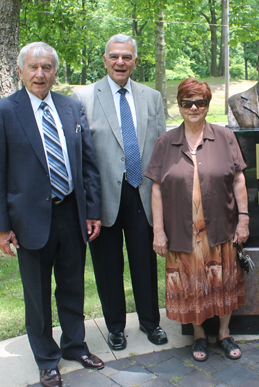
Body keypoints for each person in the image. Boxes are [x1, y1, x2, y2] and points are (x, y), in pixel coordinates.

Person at [0, 42, 103, 387]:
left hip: (71, 214)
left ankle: (75, 345)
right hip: (29, 221)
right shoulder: (4, 111)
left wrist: (92, 210)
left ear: (54, 72)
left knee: (72, 287)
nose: (40, 74)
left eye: (47, 67)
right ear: (21, 71)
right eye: (33, 67)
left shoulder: (71, 107)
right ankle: (47, 359)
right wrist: (1, 228)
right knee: (37, 295)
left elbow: (88, 165)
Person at [72, 34, 167, 350]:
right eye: (114, 56)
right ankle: (115, 327)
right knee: (108, 266)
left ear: (135, 61)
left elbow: (159, 147)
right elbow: (81, 155)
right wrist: (87, 205)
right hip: (104, 198)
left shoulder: (151, 97)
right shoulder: (83, 97)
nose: (120, 62)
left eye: (126, 57)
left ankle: (150, 322)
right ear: (104, 59)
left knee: (145, 262)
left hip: (142, 193)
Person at [145, 78, 249, 362]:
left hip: (220, 227)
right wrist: (158, 231)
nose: (193, 108)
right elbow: (156, 188)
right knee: (190, 285)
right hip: (182, 231)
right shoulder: (165, 142)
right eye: (186, 102)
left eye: (199, 102)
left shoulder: (225, 136)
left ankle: (225, 333)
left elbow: (239, 179)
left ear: (207, 105)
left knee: (223, 282)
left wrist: (243, 220)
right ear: (178, 105)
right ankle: (200, 335)